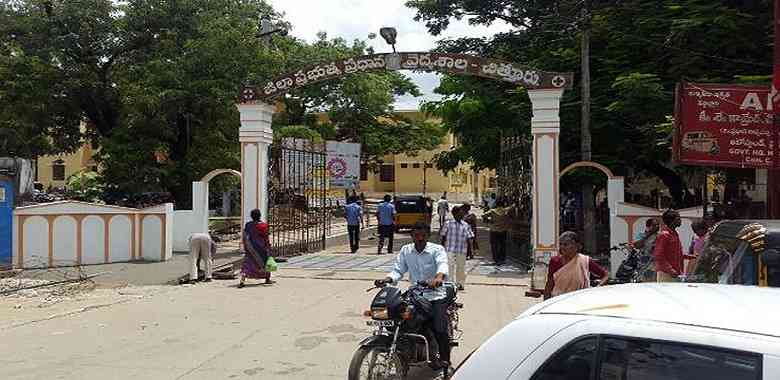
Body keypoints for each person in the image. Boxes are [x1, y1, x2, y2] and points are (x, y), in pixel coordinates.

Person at [375, 222, 451, 371]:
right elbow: (398, 269)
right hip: (415, 294)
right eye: (416, 235)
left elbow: (442, 265)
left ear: (428, 235)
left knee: (439, 328)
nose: (420, 238)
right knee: (397, 317)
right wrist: (388, 279)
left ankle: (445, 361)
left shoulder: (437, 249)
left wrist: (438, 278)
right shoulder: (406, 250)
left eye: (423, 235)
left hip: (436, 295)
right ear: (412, 236)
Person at [543, 231, 608, 300]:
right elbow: (550, 283)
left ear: (577, 246)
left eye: (565, 244)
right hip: (558, 300)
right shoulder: (555, 261)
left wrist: (598, 287)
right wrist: (545, 302)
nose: (562, 247)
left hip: (579, 300)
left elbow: (605, 275)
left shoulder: (585, 260)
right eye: (560, 244)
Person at [440, 206, 474, 290]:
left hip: (461, 249)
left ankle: (460, 284)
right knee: (449, 266)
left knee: (461, 267)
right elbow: (443, 236)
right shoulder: (448, 223)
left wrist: (471, 251)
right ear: (454, 214)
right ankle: (450, 284)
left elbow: (470, 238)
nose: (462, 215)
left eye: (462, 213)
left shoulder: (466, 225)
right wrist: (441, 249)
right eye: (460, 213)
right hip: (449, 249)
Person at [239, 209, 273, 288]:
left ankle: (242, 280)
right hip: (261, 248)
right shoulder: (263, 225)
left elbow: (245, 235)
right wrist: (268, 246)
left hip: (250, 247)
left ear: (251, 216)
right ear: (260, 216)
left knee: (247, 264)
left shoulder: (248, 225)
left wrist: (246, 246)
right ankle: (267, 279)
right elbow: (266, 237)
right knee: (265, 263)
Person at [653, 209, 684, 282]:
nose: (680, 220)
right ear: (672, 220)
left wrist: (689, 256)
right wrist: (670, 270)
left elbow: (674, 252)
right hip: (666, 274)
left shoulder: (674, 234)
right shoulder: (664, 235)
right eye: (678, 218)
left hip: (675, 273)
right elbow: (658, 256)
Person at [484, 199, 512, 266]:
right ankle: (502, 259)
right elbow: (511, 209)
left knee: (494, 245)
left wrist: (489, 221)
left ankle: (496, 259)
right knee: (503, 245)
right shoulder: (505, 210)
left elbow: (484, 215)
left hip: (494, 230)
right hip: (503, 230)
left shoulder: (492, 211)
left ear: (496, 204)